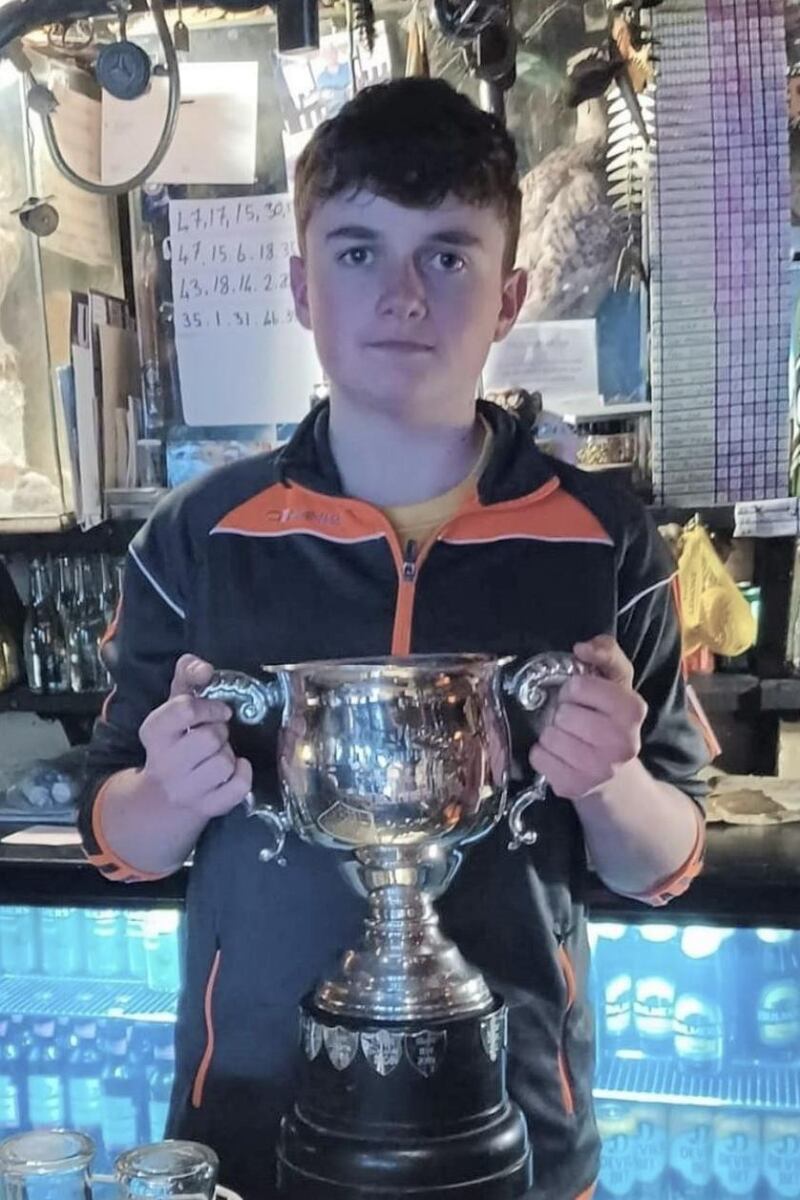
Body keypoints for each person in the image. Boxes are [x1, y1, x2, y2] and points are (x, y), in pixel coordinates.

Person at [79, 77, 707, 1200]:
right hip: (251, 1130)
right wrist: (173, 787)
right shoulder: (196, 536)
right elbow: (118, 838)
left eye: (448, 256)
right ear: (299, 287)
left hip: (515, 1131)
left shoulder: (603, 536)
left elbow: (665, 862)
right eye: (359, 251)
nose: (404, 296)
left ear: (508, 294)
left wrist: (606, 781)